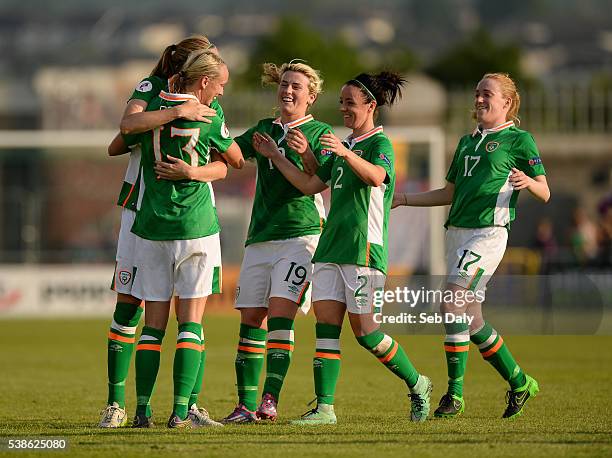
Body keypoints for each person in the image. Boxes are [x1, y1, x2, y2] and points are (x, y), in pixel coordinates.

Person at [254, 71, 433, 425]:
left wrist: (344, 153)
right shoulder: (343, 146)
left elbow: (378, 178)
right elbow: (310, 185)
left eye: (350, 103)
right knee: (326, 327)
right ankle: (325, 409)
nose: (344, 109)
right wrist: (278, 155)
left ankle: (418, 383)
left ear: (371, 105)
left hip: (362, 251)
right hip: (330, 249)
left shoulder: (378, 145)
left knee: (366, 332)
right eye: (341, 103)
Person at [393, 72, 550, 419]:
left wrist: (528, 181)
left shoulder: (519, 140)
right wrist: (403, 198)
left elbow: (545, 191)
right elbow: (449, 194)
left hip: (488, 234)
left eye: (487, 94)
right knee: (472, 320)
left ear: (507, 103)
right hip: (457, 234)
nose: (479, 99)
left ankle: (455, 395)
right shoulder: (467, 143)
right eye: (477, 93)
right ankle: (520, 382)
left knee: (450, 303)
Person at [100, 36, 235, 429]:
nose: (219, 87)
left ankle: (187, 405)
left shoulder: (209, 105)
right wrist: (174, 115)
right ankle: (117, 404)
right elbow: (120, 137)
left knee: (187, 315)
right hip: (140, 212)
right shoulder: (152, 89)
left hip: (187, 214)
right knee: (130, 308)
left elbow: (229, 159)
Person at [219, 61, 332, 423]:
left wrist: (295, 153)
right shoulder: (264, 129)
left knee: (281, 315)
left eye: (297, 86)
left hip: (300, 237)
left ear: (311, 96)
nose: (288, 90)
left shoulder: (319, 132)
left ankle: (270, 399)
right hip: (260, 237)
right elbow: (229, 153)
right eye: (284, 84)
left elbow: (319, 179)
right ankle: (244, 406)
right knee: (251, 318)